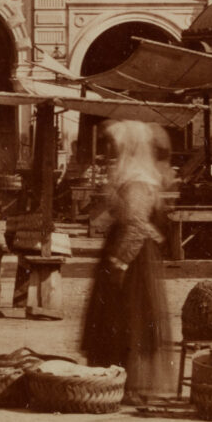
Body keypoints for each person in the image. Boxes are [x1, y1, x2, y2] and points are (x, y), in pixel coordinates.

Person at [79, 120, 176, 402]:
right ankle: (114, 380)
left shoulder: (137, 178)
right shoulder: (131, 174)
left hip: (131, 256)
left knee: (128, 318)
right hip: (126, 250)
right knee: (118, 319)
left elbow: (135, 224)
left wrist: (119, 263)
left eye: (116, 146)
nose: (111, 151)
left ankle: (125, 383)